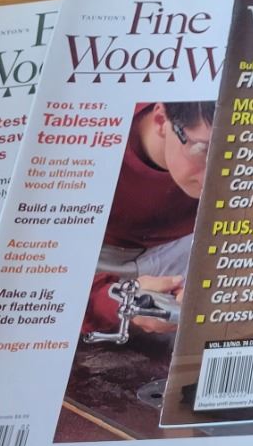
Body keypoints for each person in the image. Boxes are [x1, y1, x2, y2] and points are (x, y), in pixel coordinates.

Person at [83, 100, 215, 337]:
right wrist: (114, 302)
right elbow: (41, 281)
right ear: (161, 121)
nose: (220, 177)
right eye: (203, 151)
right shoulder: (88, 140)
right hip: (92, 258)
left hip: (195, 242)